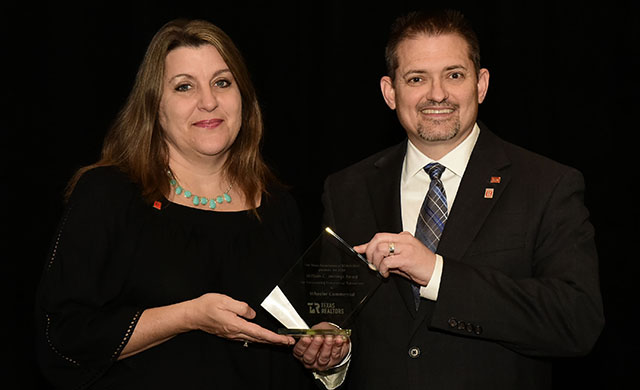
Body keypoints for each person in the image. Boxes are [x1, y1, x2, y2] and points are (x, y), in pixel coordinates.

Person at [35, 18, 334, 389]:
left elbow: (291, 340)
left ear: (244, 96)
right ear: (154, 107)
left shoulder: (278, 206)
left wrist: (320, 346)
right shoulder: (108, 193)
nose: (208, 101)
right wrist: (189, 315)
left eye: (222, 83)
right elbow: (61, 338)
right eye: (184, 87)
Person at [315, 8, 604, 389]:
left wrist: (437, 273)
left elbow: (576, 323)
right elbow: (335, 315)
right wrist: (330, 353)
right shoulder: (345, 189)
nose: (438, 94)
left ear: (481, 84)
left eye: (454, 75)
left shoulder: (547, 184)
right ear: (390, 91)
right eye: (417, 78)